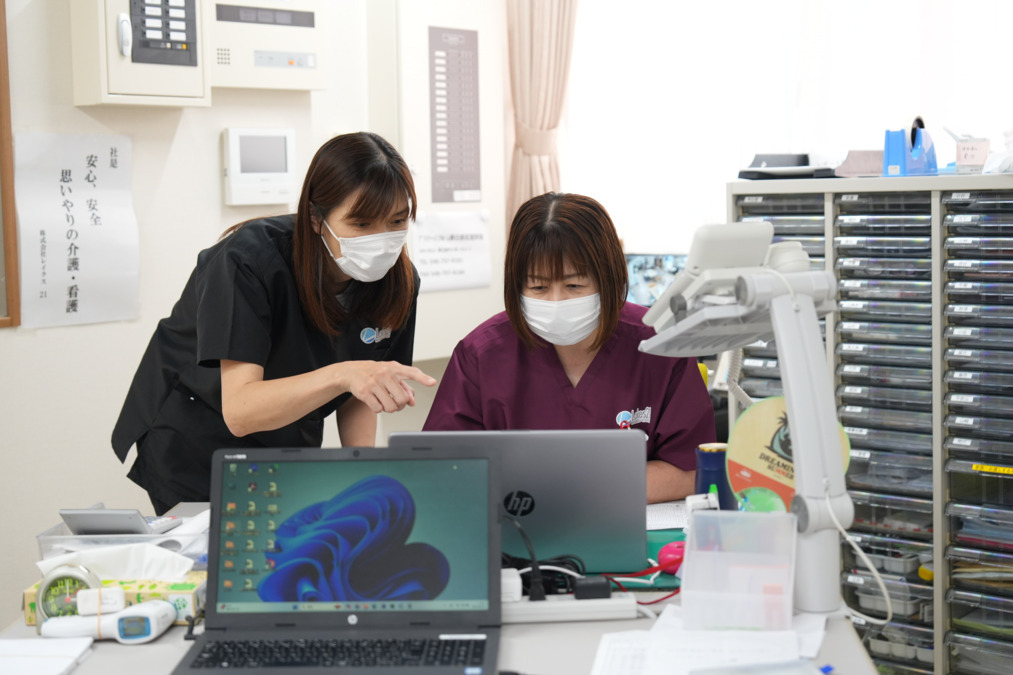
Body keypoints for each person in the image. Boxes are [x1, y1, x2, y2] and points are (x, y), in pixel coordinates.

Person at [113, 132, 436, 514]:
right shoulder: (248, 261)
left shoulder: (398, 281)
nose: (382, 240)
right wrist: (343, 374)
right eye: (362, 224)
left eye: (397, 221)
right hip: (198, 432)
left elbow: (363, 388)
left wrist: (360, 471)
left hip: (287, 428)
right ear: (317, 218)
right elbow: (241, 411)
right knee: (217, 560)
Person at [423, 192, 715, 503]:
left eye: (574, 285)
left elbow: (690, 471)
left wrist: (570, 491)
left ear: (608, 278)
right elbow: (443, 470)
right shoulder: (482, 354)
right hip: (517, 534)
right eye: (538, 287)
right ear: (516, 285)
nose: (556, 302)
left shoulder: (659, 344)